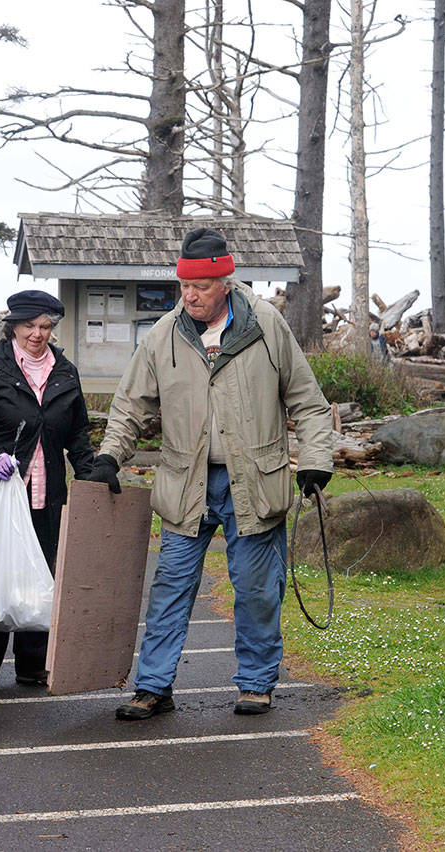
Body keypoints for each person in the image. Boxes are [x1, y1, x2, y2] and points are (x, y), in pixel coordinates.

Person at [83, 228, 334, 718]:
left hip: (255, 482)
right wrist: (110, 456)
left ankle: (257, 682)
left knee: (258, 589)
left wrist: (317, 460)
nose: (189, 296)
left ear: (225, 281)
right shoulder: (164, 335)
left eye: (199, 287)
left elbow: (308, 401)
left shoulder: (266, 326)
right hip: (186, 484)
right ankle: (154, 686)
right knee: (171, 587)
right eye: (183, 286)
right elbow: (129, 404)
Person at [0, 289, 98, 688]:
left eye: (46, 326)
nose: (38, 334)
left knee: (42, 572)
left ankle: (34, 663)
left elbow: (78, 434)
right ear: (13, 327)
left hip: (46, 494)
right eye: (30, 326)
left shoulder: (65, 372)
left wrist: (92, 476)